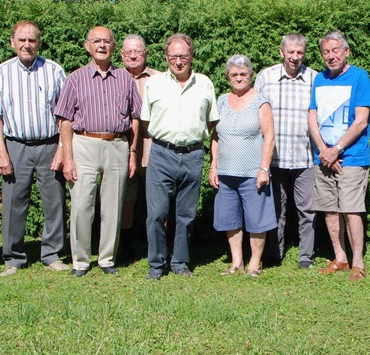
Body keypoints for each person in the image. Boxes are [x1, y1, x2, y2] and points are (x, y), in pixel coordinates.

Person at [54, 26, 141, 277]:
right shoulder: (75, 78)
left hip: (117, 144)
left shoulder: (125, 78)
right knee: (81, 204)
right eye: (97, 41)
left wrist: (132, 152)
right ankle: (80, 261)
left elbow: (135, 117)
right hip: (84, 144)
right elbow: (66, 121)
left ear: (113, 47)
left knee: (113, 204)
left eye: (107, 41)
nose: (102, 45)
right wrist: (67, 157)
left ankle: (107, 258)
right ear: (88, 46)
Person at [0, 20, 69, 276]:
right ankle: (13, 258)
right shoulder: (1, 73)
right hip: (15, 145)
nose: (27, 45)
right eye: (22, 40)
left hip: (49, 144)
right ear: (12, 42)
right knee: (13, 203)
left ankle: (52, 254)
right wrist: (1, 152)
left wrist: (61, 150)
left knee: (54, 202)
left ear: (39, 42)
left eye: (32, 40)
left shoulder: (54, 70)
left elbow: (64, 114)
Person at [142, 33, 219, 279]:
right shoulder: (154, 84)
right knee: (156, 214)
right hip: (161, 154)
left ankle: (180, 262)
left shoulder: (205, 83)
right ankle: (156, 264)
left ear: (191, 57)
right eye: (173, 56)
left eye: (183, 56)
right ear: (166, 57)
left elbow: (211, 121)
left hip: (193, 155)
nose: (178, 61)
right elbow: (146, 121)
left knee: (186, 214)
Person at [308, 30, 370, 282]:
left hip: (352, 158)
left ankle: (358, 262)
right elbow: (312, 117)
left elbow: (361, 121)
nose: (331, 56)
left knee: (351, 209)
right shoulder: (320, 79)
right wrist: (324, 150)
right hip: (323, 157)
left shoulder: (359, 77)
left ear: (346, 52)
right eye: (326, 52)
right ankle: (341, 258)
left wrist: (337, 150)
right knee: (329, 209)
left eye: (336, 50)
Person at [254, 33, 318, 268]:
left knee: (307, 211)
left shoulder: (314, 78)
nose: (295, 57)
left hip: (305, 157)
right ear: (281, 52)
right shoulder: (266, 77)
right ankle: (274, 253)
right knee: (275, 209)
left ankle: (305, 256)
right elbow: (256, 113)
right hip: (274, 159)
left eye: (299, 52)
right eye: (290, 52)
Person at [211, 54, 277, 277]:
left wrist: (264, 169)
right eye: (234, 74)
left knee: (257, 220)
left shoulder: (261, 101)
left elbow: (269, 138)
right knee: (230, 219)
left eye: (243, 74)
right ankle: (237, 262)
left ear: (251, 75)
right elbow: (215, 137)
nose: (239, 78)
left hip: (253, 173)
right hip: (226, 172)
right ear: (228, 77)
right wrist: (213, 166)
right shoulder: (220, 101)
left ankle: (254, 264)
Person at [118, 34, 160, 262]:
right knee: (126, 199)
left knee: (159, 200)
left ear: (145, 53)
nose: (133, 55)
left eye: (138, 52)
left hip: (154, 147)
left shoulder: (160, 78)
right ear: (122, 55)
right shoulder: (114, 77)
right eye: (128, 52)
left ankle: (160, 247)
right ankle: (125, 248)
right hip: (123, 147)